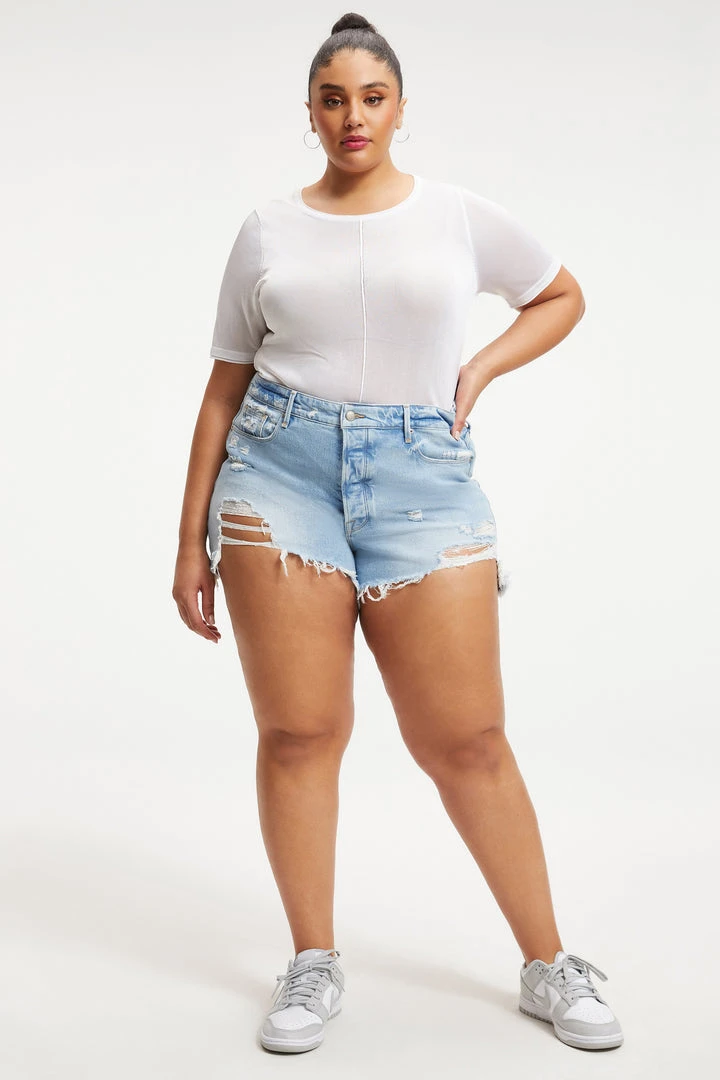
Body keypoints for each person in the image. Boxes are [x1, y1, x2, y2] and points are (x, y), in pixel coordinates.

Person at [172, 11, 624, 1057]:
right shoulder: (267, 229)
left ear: (400, 108)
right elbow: (223, 388)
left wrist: (480, 370)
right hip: (276, 474)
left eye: (372, 98)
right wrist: (188, 539)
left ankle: (548, 963)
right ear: (310, 113)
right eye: (333, 99)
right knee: (300, 733)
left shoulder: (457, 215)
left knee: (466, 741)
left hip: (423, 476)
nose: (353, 116)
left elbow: (560, 296)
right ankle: (313, 960)